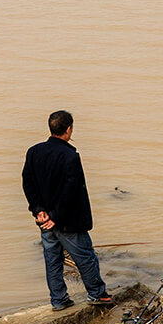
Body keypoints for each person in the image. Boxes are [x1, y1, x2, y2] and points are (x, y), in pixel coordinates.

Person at [21, 110, 113, 310]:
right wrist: (56, 216)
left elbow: (28, 183)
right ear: (69, 129)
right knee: (85, 257)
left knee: (53, 260)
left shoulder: (34, 151)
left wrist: (39, 211)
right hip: (67, 221)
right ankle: (97, 294)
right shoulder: (69, 156)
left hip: (44, 220)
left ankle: (58, 300)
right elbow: (70, 190)